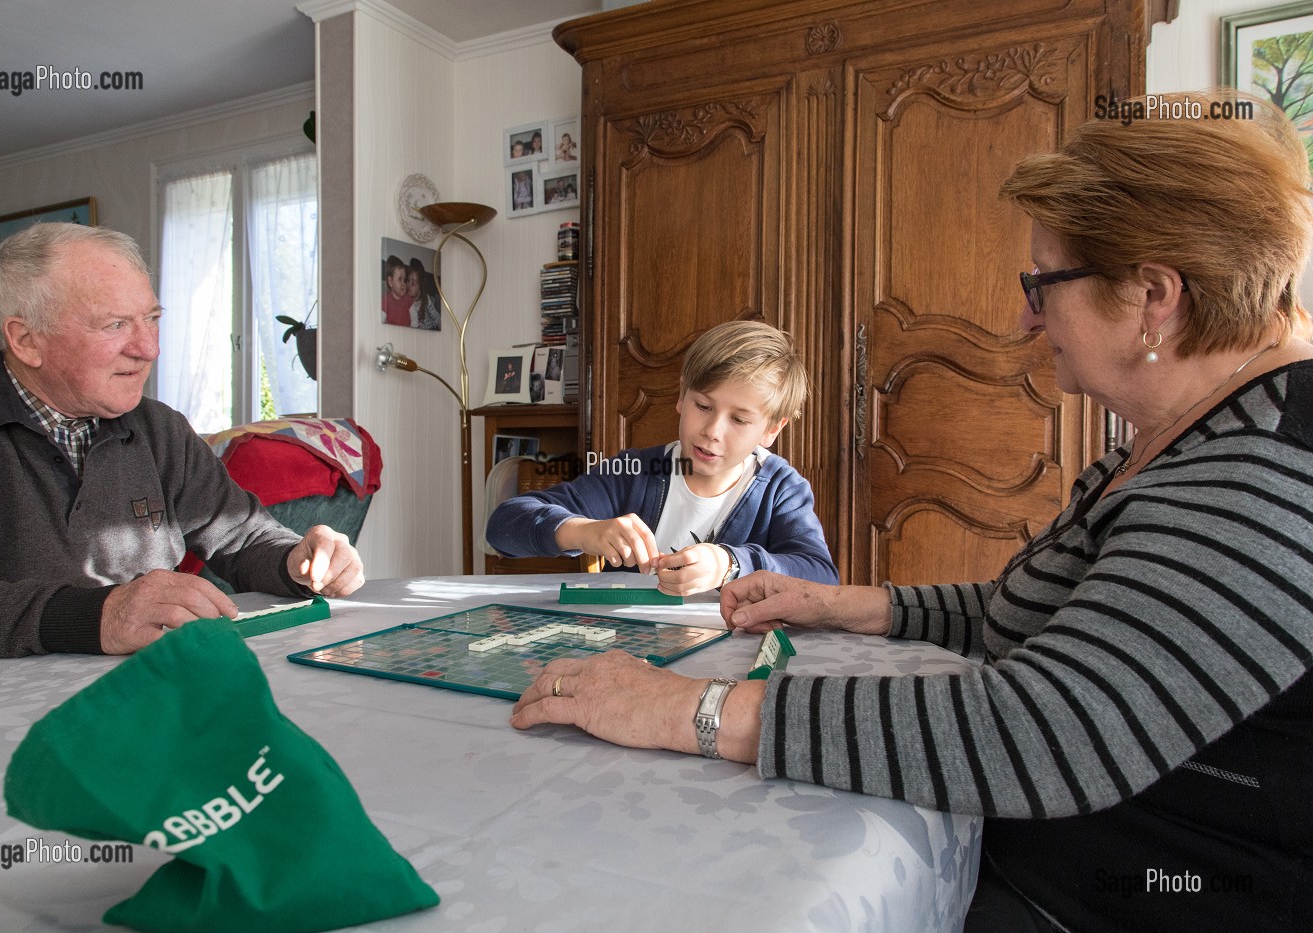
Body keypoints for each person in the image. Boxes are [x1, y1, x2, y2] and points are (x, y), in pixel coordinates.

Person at [509, 91, 1313, 932]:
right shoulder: (1175, 438)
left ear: (1152, 295)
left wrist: (685, 708)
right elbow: (1027, 617)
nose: (1022, 316)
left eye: (1043, 284)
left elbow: (1044, 730)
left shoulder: (1267, 472)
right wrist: (851, 604)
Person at [0, 223, 366, 659]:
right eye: (114, 325)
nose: (149, 349)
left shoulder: (160, 429)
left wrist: (299, 560)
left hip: (145, 696)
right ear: (27, 340)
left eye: (151, 318)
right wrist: (97, 616)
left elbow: (243, 539)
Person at [488, 320, 837, 595]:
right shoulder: (634, 471)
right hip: (629, 654)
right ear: (682, 396)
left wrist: (730, 564)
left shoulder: (781, 488)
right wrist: (580, 531)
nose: (713, 431)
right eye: (703, 406)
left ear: (771, 430)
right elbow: (503, 526)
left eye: (739, 419)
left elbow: (821, 576)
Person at [407, 258, 441, 331]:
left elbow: (437, 318)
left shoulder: (425, 299)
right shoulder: (406, 301)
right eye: (407, 281)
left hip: (432, 329)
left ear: (420, 285)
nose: (408, 285)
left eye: (413, 283)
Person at [382, 254, 412, 327]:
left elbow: (415, 320)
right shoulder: (385, 301)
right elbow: (381, 321)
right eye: (399, 279)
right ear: (390, 281)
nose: (403, 284)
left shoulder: (408, 299)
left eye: (404, 280)